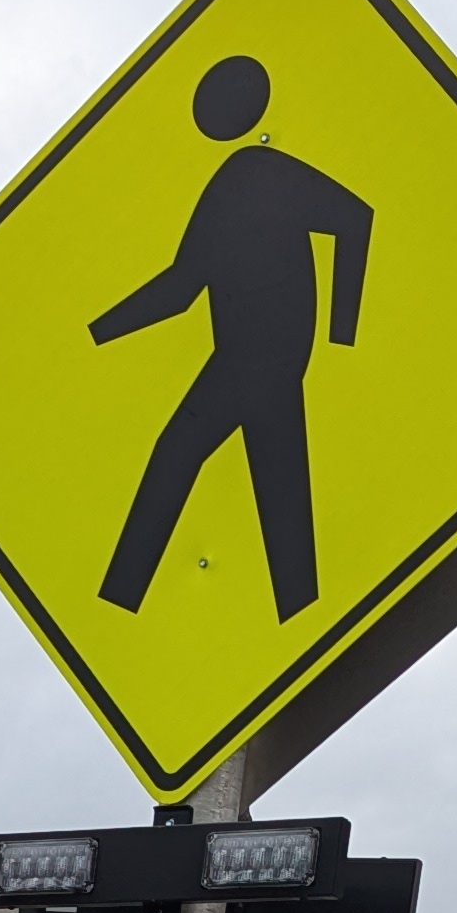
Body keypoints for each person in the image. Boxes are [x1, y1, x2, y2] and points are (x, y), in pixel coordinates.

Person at [92, 53, 372, 624]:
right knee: (255, 480)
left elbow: (355, 218)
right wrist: (97, 333)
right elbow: (181, 287)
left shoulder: (262, 172)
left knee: (224, 469)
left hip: (265, 361)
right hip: (243, 361)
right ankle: (297, 618)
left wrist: (342, 332)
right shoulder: (228, 184)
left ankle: (126, 599)